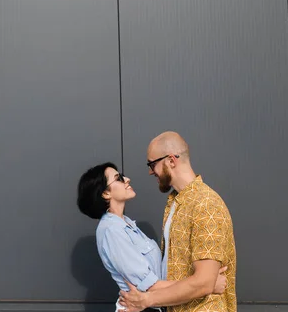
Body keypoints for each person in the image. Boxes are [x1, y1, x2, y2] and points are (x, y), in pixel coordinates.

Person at [77, 162, 226, 312]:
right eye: (119, 178)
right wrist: (207, 285)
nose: (127, 179)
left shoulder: (126, 224)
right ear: (105, 193)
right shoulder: (111, 230)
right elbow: (150, 285)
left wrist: (203, 280)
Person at [120, 131, 236, 312]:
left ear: (171, 160)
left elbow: (204, 282)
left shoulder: (206, 204)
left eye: (152, 164)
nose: (151, 172)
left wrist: (147, 299)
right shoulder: (176, 202)